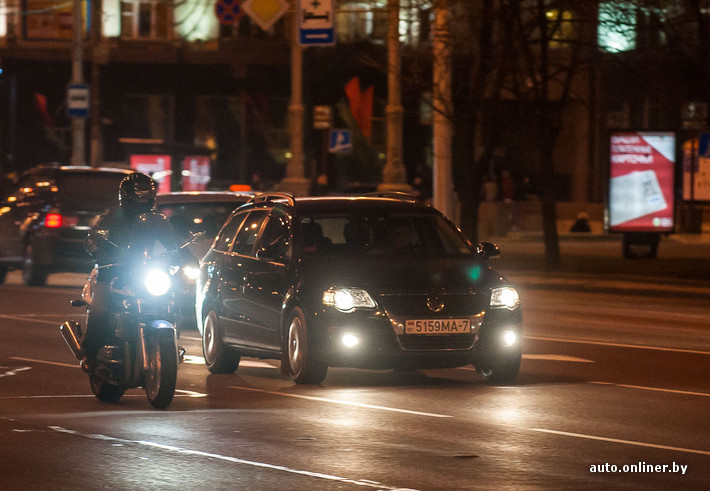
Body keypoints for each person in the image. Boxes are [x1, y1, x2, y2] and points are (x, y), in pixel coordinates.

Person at [81, 172, 191, 369]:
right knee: (101, 309)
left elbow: (172, 242)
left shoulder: (158, 220)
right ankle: (90, 354)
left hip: (144, 271)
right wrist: (97, 247)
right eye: (138, 197)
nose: (142, 201)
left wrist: (186, 255)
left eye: (147, 197)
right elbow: (94, 238)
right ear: (126, 196)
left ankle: (172, 346)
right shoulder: (111, 217)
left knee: (172, 302)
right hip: (114, 271)